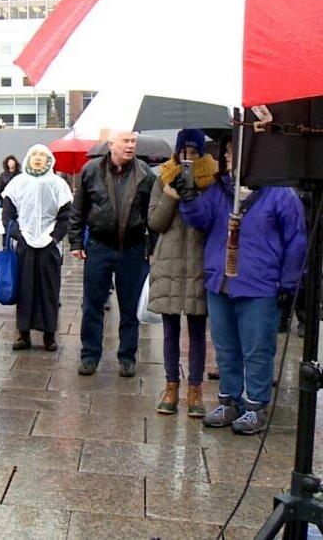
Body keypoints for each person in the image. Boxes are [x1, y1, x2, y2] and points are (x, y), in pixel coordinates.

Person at [174, 138, 306, 434]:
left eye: (235, 151)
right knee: (225, 347)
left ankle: (256, 405)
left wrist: (288, 282)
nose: (229, 156)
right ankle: (230, 400)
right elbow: (200, 219)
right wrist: (188, 197)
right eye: (228, 151)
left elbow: (296, 240)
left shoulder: (280, 192)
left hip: (259, 284)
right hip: (220, 282)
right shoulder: (221, 190)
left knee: (257, 349)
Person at [69, 131, 156, 378]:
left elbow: (151, 214)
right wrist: (75, 241)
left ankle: (127, 356)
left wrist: (154, 250)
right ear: (111, 144)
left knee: (130, 307)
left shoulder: (145, 173)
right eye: (126, 141)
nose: (130, 146)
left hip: (133, 248)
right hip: (100, 246)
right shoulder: (91, 170)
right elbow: (79, 208)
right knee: (93, 304)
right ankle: (89, 355)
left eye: (133, 141)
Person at [148, 129, 219, 418]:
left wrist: (194, 196)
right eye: (183, 151)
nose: (187, 156)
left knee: (198, 330)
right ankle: (171, 386)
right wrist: (170, 196)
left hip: (201, 261)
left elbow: (212, 221)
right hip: (170, 262)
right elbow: (155, 223)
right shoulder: (163, 176)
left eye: (193, 151)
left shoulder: (214, 180)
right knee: (169, 329)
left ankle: (195, 390)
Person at [1, 145, 73, 352]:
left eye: (43, 155)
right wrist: (18, 234)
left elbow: (65, 214)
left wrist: (54, 237)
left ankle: (49, 334)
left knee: (49, 289)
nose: (39, 159)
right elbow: (8, 212)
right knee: (25, 289)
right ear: (27, 159)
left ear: (50, 160)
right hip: (25, 243)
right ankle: (23, 333)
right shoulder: (18, 183)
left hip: (49, 244)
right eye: (35, 155)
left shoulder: (58, 184)